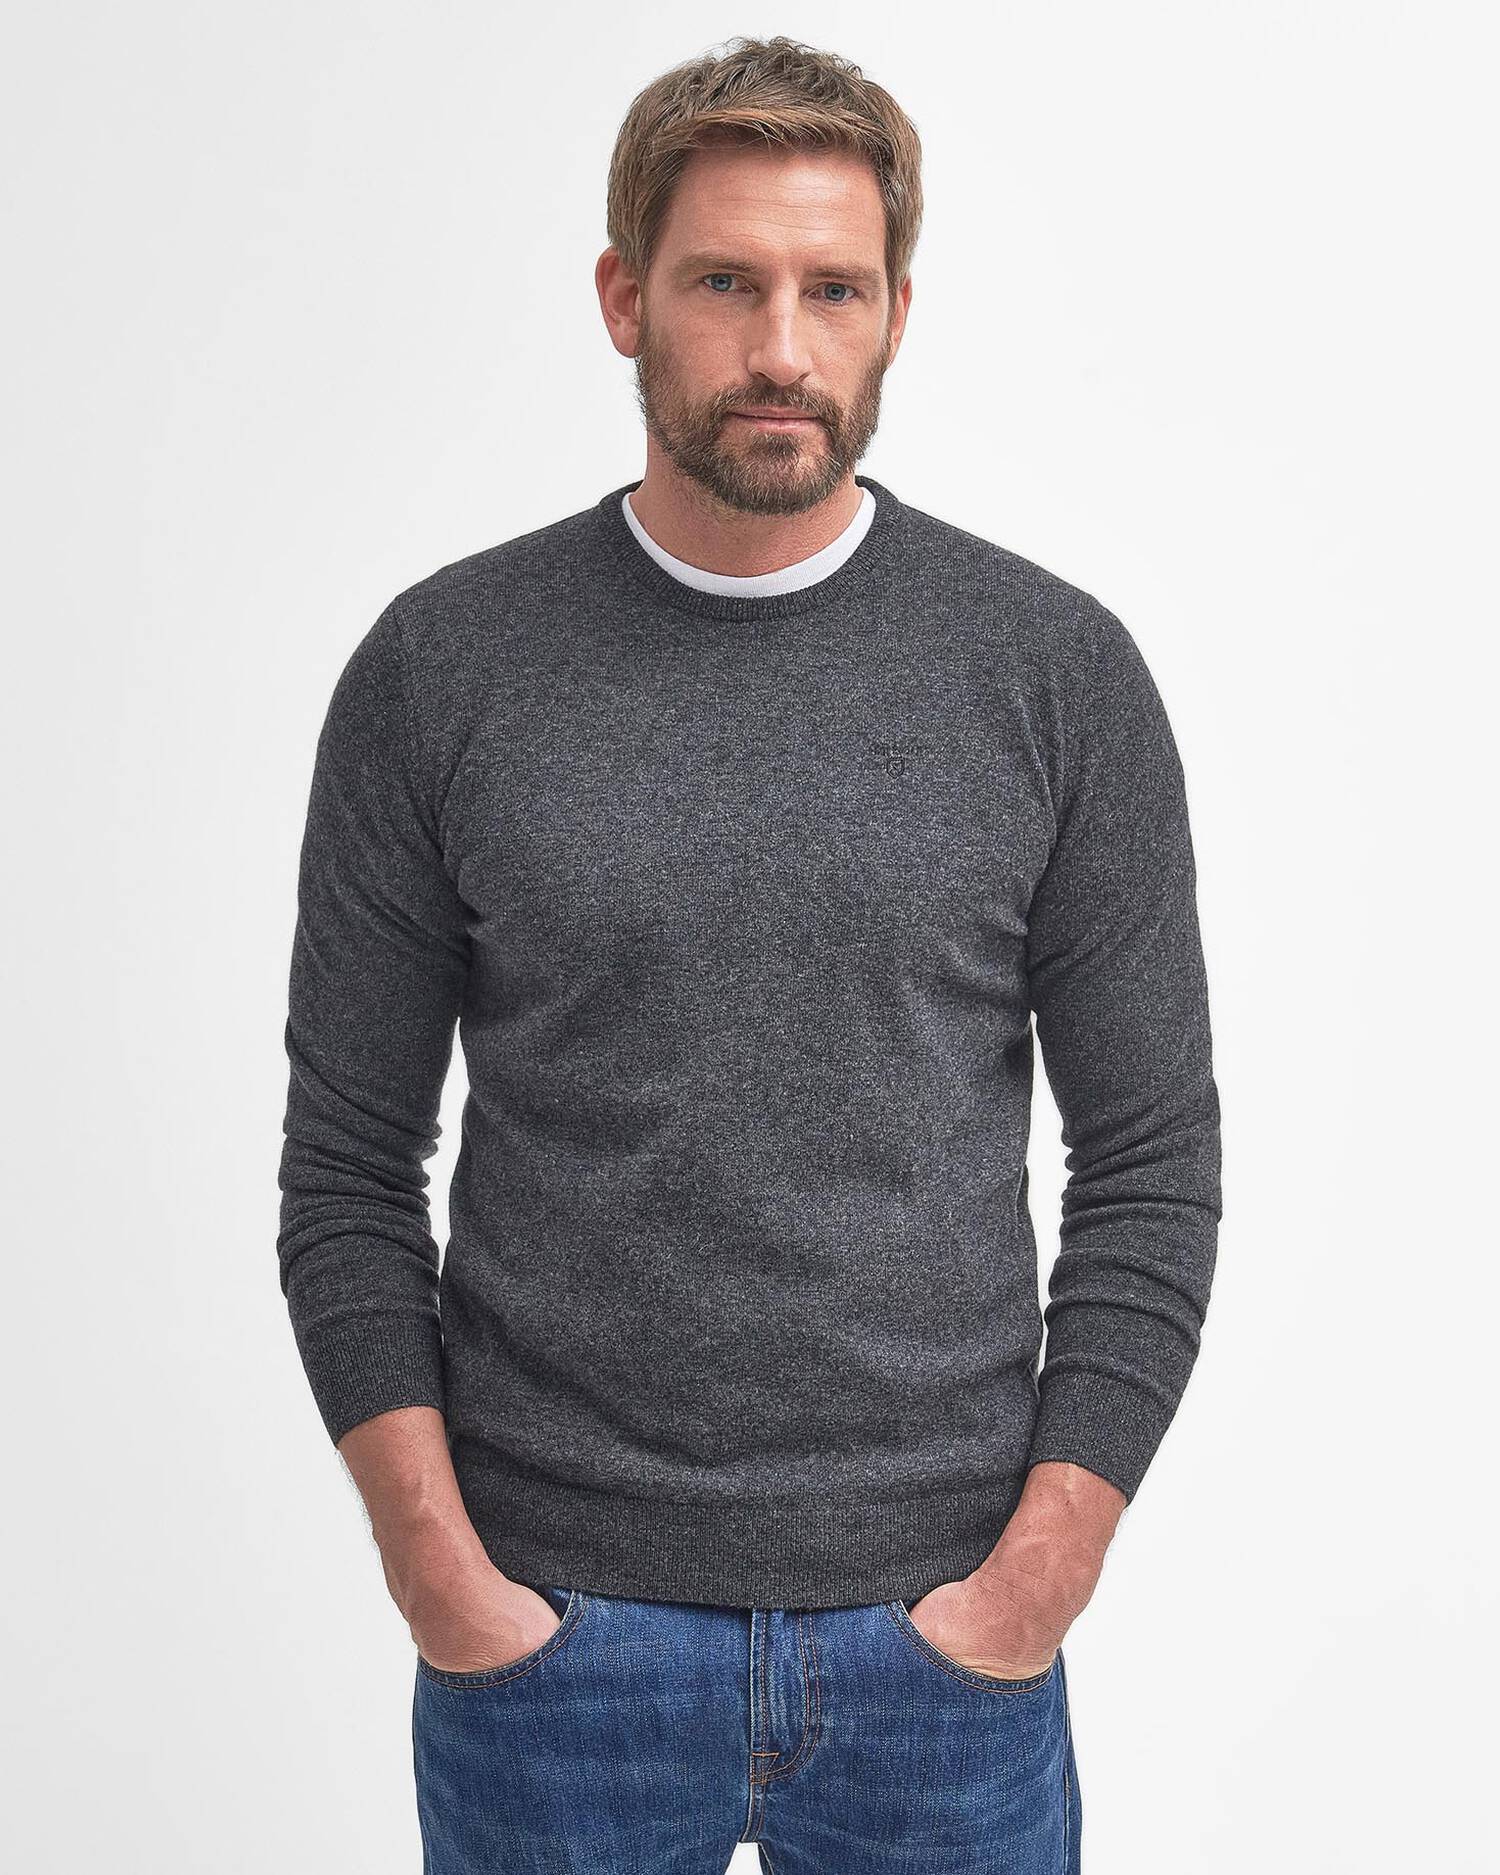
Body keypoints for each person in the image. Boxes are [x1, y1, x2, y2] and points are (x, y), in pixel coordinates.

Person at [276, 33, 1222, 1873]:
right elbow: (346, 1170)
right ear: (624, 298)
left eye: (833, 290)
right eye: (726, 283)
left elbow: (1153, 1165)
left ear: (895, 315)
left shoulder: (1054, 675)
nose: (783, 346)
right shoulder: (441, 670)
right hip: (553, 1646)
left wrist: (1030, 1585)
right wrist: (444, 1579)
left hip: (944, 1650)